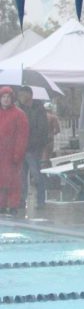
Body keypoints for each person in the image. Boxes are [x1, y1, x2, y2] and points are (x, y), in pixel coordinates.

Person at [17, 86, 49, 211]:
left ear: (29, 95)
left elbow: (41, 129)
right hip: (22, 147)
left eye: (23, 95)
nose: (21, 97)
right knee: (22, 175)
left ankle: (41, 200)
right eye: (19, 95)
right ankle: (21, 200)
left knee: (36, 174)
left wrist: (34, 143)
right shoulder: (21, 109)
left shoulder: (38, 109)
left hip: (33, 148)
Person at [0, 87, 28, 216]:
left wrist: (18, 153)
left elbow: (22, 136)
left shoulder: (19, 114)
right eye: (3, 97)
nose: (5, 100)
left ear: (12, 99)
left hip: (11, 154)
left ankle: (13, 205)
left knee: (13, 181)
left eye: (8, 97)